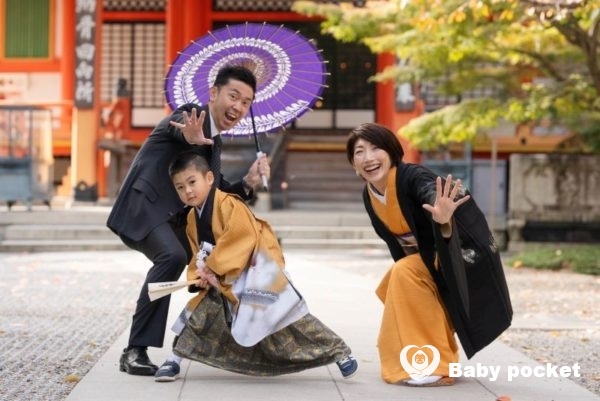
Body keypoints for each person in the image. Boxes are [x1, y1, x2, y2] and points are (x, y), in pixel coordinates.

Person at [107, 65, 270, 376]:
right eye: (233, 96)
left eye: (246, 102)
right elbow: (177, 126)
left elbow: (216, 190)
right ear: (214, 93)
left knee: (216, 260)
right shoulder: (191, 114)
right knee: (173, 256)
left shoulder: (215, 143)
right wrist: (190, 135)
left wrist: (248, 182)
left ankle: (213, 337)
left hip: (173, 221)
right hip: (144, 208)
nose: (238, 106)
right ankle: (134, 350)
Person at [152, 151, 358, 381]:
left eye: (192, 182)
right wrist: (199, 275)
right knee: (198, 314)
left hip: (255, 274)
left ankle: (340, 352)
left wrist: (213, 266)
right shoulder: (192, 218)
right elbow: (197, 252)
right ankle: (174, 359)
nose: (188, 191)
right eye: (180, 187)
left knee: (289, 320)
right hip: (224, 276)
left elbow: (241, 237)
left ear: (209, 178)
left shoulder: (229, 204)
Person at [345, 123, 512, 386]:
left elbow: (429, 189)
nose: (368, 158)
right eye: (359, 152)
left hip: (459, 253)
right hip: (430, 257)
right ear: (353, 164)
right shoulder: (370, 196)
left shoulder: (411, 176)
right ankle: (424, 358)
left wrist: (441, 213)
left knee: (404, 273)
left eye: (376, 148)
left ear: (392, 152)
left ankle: (435, 366)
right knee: (395, 284)